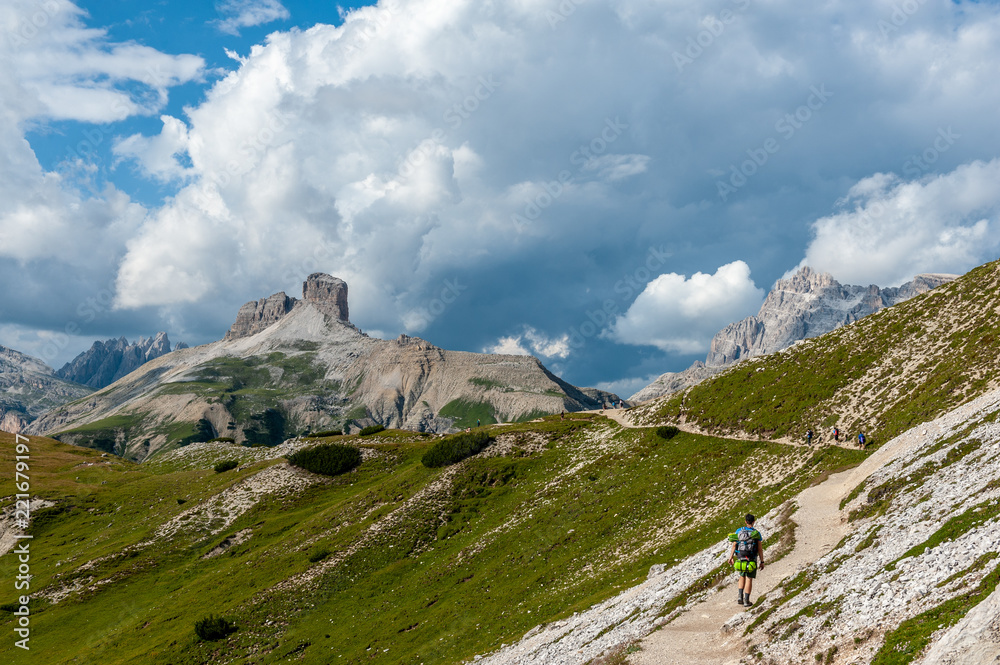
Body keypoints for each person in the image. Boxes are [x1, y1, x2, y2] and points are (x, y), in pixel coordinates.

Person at [728, 514, 764, 607]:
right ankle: (746, 601)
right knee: (749, 578)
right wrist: (762, 561)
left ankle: (740, 597)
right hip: (751, 558)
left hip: (740, 557)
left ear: (745, 521)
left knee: (742, 576)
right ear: (754, 521)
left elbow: (734, 545)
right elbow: (760, 549)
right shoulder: (756, 533)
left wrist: (731, 557)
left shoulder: (739, 531)